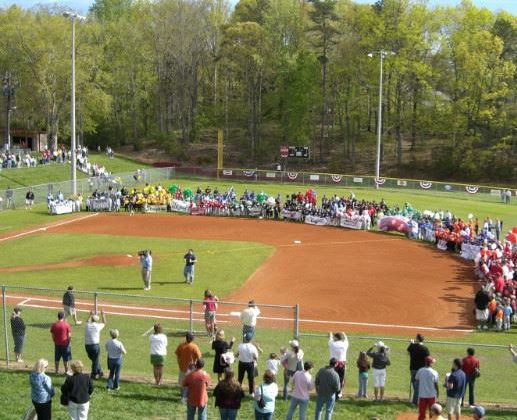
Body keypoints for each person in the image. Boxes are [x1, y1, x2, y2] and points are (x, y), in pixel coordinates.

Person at [407, 333, 430, 405]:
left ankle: (415, 401)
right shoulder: (425, 348)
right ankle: (418, 398)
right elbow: (428, 358)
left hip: (413, 368)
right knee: (417, 384)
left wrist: (411, 343)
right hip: (421, 369)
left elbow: (408, 352)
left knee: (415, 384)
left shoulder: (412, 346)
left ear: (417, 339)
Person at [84, 309, 106, 379]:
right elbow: (104, 323)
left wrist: (90, 314)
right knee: (95, 360)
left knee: (94, 359)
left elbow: (87, 321)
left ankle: (100, 371)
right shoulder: (98, 326)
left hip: (87, 346)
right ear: (96, 320)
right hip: (95, 345)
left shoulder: (87, 325)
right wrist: (103, 315)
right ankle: (94, 374)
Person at [415, 356, 439, 420]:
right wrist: (437, 392)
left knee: (421, 414)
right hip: (432, 395)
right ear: (431, 363)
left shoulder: (420, 371)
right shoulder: (434, 372)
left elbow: (417, 380)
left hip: (422, 395)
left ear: (425, 362)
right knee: (433, 414)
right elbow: (436, 384)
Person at [328, 331, 348, 399]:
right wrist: (344, 334)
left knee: (332, 378)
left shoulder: (333, 344)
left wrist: (330, 335)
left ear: (336, 338)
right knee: (341, 379)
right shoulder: (344, 344)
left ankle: (332, 392)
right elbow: (346, 339)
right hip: (342, 364)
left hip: (333, 363)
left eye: (334, 337)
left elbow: (330, 340)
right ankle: (339, 393)